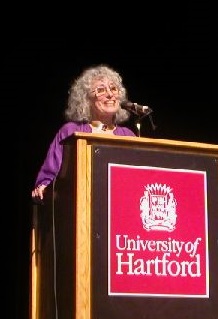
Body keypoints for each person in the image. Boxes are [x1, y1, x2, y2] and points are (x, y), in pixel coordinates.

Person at [31, 64, 136, 202]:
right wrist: (44, 186)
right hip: (79, 203)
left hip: (120, 203)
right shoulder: (71, 131)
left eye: (113, 88)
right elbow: (49, 175)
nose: (110, 94)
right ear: (86, 100)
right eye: (101, 90)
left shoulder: (128, 135)